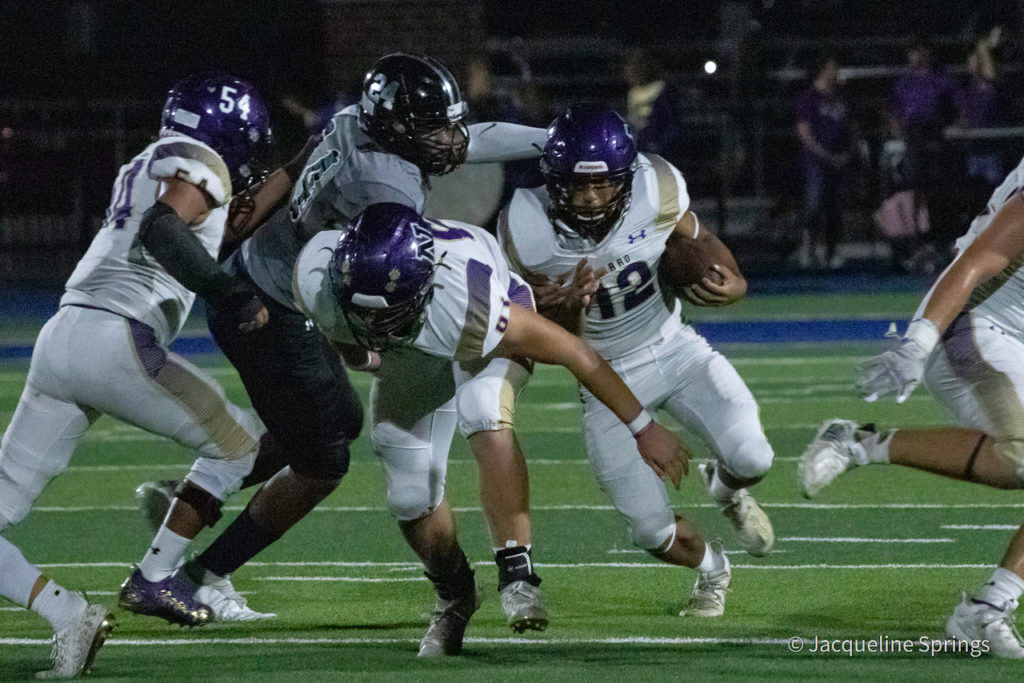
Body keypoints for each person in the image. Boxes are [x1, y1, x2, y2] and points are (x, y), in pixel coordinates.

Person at [134, 53, 555, 638]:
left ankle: (200, 493)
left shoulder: (357, 118)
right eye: (432, 127)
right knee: (324, 457)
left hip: (276, 282)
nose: (446, 138)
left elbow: (450, 143)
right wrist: (361, 348)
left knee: (330, 420)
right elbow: (363, 288)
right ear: (399, 129)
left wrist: (549, 139)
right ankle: (199, 571)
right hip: (281, 305)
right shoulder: (387, 191)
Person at [291, 201, 690, 655]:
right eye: (364, 312)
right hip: (411, 353)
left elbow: (578, 354)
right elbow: (343, 333)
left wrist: (643, 427)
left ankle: (517, 574)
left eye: (386, 311)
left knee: (482, 407)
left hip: (478, 322)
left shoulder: (468, 302)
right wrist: (366, 357)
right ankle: (455, 595)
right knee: (409, 497)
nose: (374, 322)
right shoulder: (316, 278)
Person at [0, 72, 284, 677]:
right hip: (117, 340)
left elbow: (204, 228)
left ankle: (67, 613)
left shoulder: (148, 158)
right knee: (243, 446)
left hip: (62, 336)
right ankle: (157, 576)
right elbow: (164, 228)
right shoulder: (202, 160)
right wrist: (228, 295)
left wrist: (302, 166)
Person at [497, 104, 775, 615]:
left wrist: (734, 280)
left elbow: (697, 236)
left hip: (675, 347)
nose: (588, 197)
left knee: (753, 457)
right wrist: (571, 306)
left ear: (626, 178)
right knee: (651, 531)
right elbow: (559, 346)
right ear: (551, 180)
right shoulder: (526, 229)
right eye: (576, 186)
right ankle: (713, 568)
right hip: (604, 380)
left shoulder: (657, 188)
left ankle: (727, 488)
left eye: (602, 184)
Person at [798, 150, 1024, 658]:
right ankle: (862, 445)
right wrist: (918, 343)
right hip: (975, 327)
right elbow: (975, 263)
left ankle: (987, 609)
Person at [888, 36, 957, 267]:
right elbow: (895, 112)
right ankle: (914, 245)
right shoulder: (904, 82)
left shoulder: (941, 79)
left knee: (937, 193)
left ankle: (938, 243)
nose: (915, 56)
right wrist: (898, 130)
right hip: (913, 140)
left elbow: (956, 108)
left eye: (919, 50)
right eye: (912, 51)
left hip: (936, 140)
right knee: (912, 193)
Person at [795, 51, 857, 269]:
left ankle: (831, 252)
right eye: (832, 67)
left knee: (835, 210)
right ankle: (808, 250)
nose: (836, 72)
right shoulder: (809, 98)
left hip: (839, 161)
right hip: (817, 163)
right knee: (814, 207)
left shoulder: (842, 97)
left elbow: (852, 127)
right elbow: (804, 132)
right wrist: (825, 155)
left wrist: (847, 152)